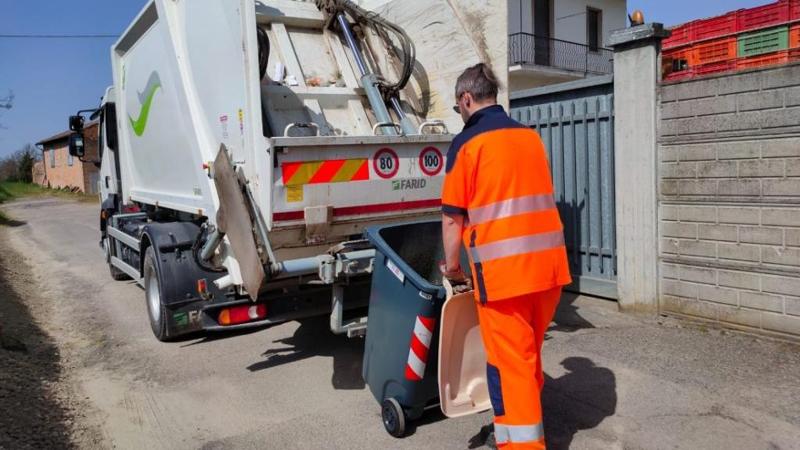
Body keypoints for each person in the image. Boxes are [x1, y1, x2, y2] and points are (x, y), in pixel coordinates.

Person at [440, 63, 572, 449]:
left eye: (457, 107)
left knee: (510, 366)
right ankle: (510, 433)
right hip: (549, 274)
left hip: (503, 281)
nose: (459, 113)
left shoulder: (466, 145)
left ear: (466, 99)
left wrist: (452, 268)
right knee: (526, 359)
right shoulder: (530, 138)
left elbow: (452, 221)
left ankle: (523, 444)